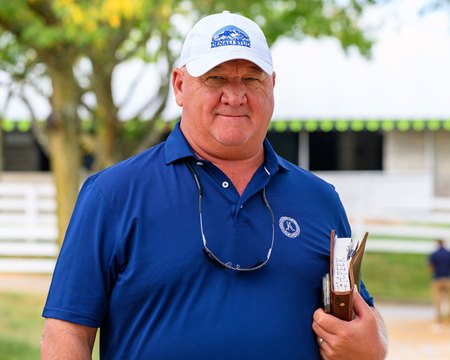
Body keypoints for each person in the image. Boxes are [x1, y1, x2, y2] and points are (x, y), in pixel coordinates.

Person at [41, 11, 387, 359]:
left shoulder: (320, 200)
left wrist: (374, 345)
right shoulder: (112, 195)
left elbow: (361, 312)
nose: (234, 96)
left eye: (252, 79)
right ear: (179, 85)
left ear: (272, 86)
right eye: (216, 78)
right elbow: (66, 332)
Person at [429, 239, 450, 323]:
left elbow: (430, 266)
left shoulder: (434, 254)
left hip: (437, 279)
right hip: (448, 279)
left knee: (437, 299)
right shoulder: (448, 254)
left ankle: (438, 318)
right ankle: (448, 317)